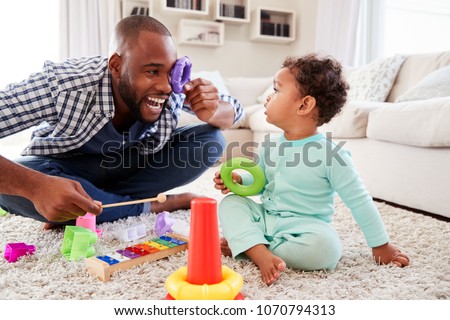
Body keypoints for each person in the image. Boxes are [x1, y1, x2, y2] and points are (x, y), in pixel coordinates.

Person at [0, 15, 243, 228]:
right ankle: (151, 205)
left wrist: (210, 109)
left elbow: (235, 109)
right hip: (65, 169)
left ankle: (96, 208)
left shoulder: (173, 87)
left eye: (170, 72)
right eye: (151, 71)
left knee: (210, 141)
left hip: (128, 168)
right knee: (16, 183)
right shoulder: (65, 84)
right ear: (116, 65)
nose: (166, 86)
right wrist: (34, 187)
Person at [213, 53, 409, 286]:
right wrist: (239, 179)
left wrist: (381, 245)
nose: (268, 97)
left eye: (276, 90)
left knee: (327, 250)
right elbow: (260, 181)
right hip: (267, 217)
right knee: (231, 204)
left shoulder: (331, 155)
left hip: (304, 226)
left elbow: (360, 201)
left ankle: (249, 245)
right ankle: (258, 251)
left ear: (304, 105)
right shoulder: (271, 144)